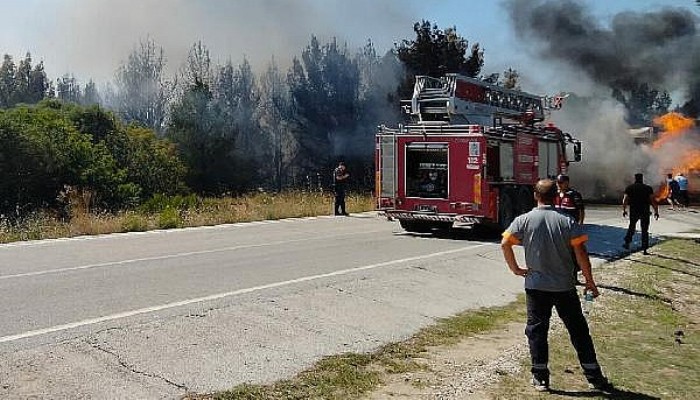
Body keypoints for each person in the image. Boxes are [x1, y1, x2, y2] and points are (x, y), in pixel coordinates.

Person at [501, 179, 612, 393]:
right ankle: (594, 377)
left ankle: (540, 377)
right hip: (564, 286)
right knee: (578, 331)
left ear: (535, 195)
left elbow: (506, 243)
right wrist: (589, 282)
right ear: (556, 196)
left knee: (537, 331)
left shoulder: (523, 220)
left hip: (535, 286)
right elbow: (581, 255)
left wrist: (515, 269)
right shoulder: (568, 221)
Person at [622, 173, 659, 255]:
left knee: (631, 227)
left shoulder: (630, 188)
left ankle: (627, 243)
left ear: (635, 179)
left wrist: (624, 210)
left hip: (634, 211)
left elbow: (625, 200)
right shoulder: (648, 188)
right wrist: (656, 211)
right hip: (645, 211)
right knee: (645, 230)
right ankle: (645, 249)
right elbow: (653, 201)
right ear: (642, 179)